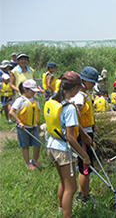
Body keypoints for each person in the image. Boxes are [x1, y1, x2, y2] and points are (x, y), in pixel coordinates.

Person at [44, 71, 92, 218]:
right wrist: (84, 156)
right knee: (71, 189)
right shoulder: (70, 108)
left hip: (52, 146)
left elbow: (70, 126)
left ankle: (61, 209)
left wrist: (84, 135)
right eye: (79, 87)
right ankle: (67, 215)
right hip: (63, 150)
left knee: (64, 182)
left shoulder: (54, 100)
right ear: (74, 88)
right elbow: (70, 137)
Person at [71, 66, 100, 203]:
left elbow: (84, 115)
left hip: (88, 130)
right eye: (92, 82)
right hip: (83, 135)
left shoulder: (85, 95)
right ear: (83, 81)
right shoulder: (79, 97)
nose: (93, 85)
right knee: (85, 165)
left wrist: (93, 124)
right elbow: (75, 119)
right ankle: (83, 196)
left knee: (85, 164)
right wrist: (85, 135)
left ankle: (84, 193)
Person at [9, 79, 41, 170]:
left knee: (37, 143)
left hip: (34, 126)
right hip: (24, 127)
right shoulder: (20, 100)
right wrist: (19, 122)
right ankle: (27, 163)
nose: (34, 93)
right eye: (32, 91)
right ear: (25, 90)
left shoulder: (36, 100)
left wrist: (38, 125)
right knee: (25, 145)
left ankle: (35, 160)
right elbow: (11, 112)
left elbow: (37, 113)